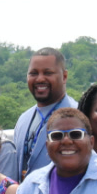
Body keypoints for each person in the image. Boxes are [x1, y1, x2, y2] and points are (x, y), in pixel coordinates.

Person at [13, 47, 78, 183]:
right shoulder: (23, 119)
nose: (40, 79)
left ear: (64, 76)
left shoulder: (78, 117)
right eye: (34, 73)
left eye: (48, 73)